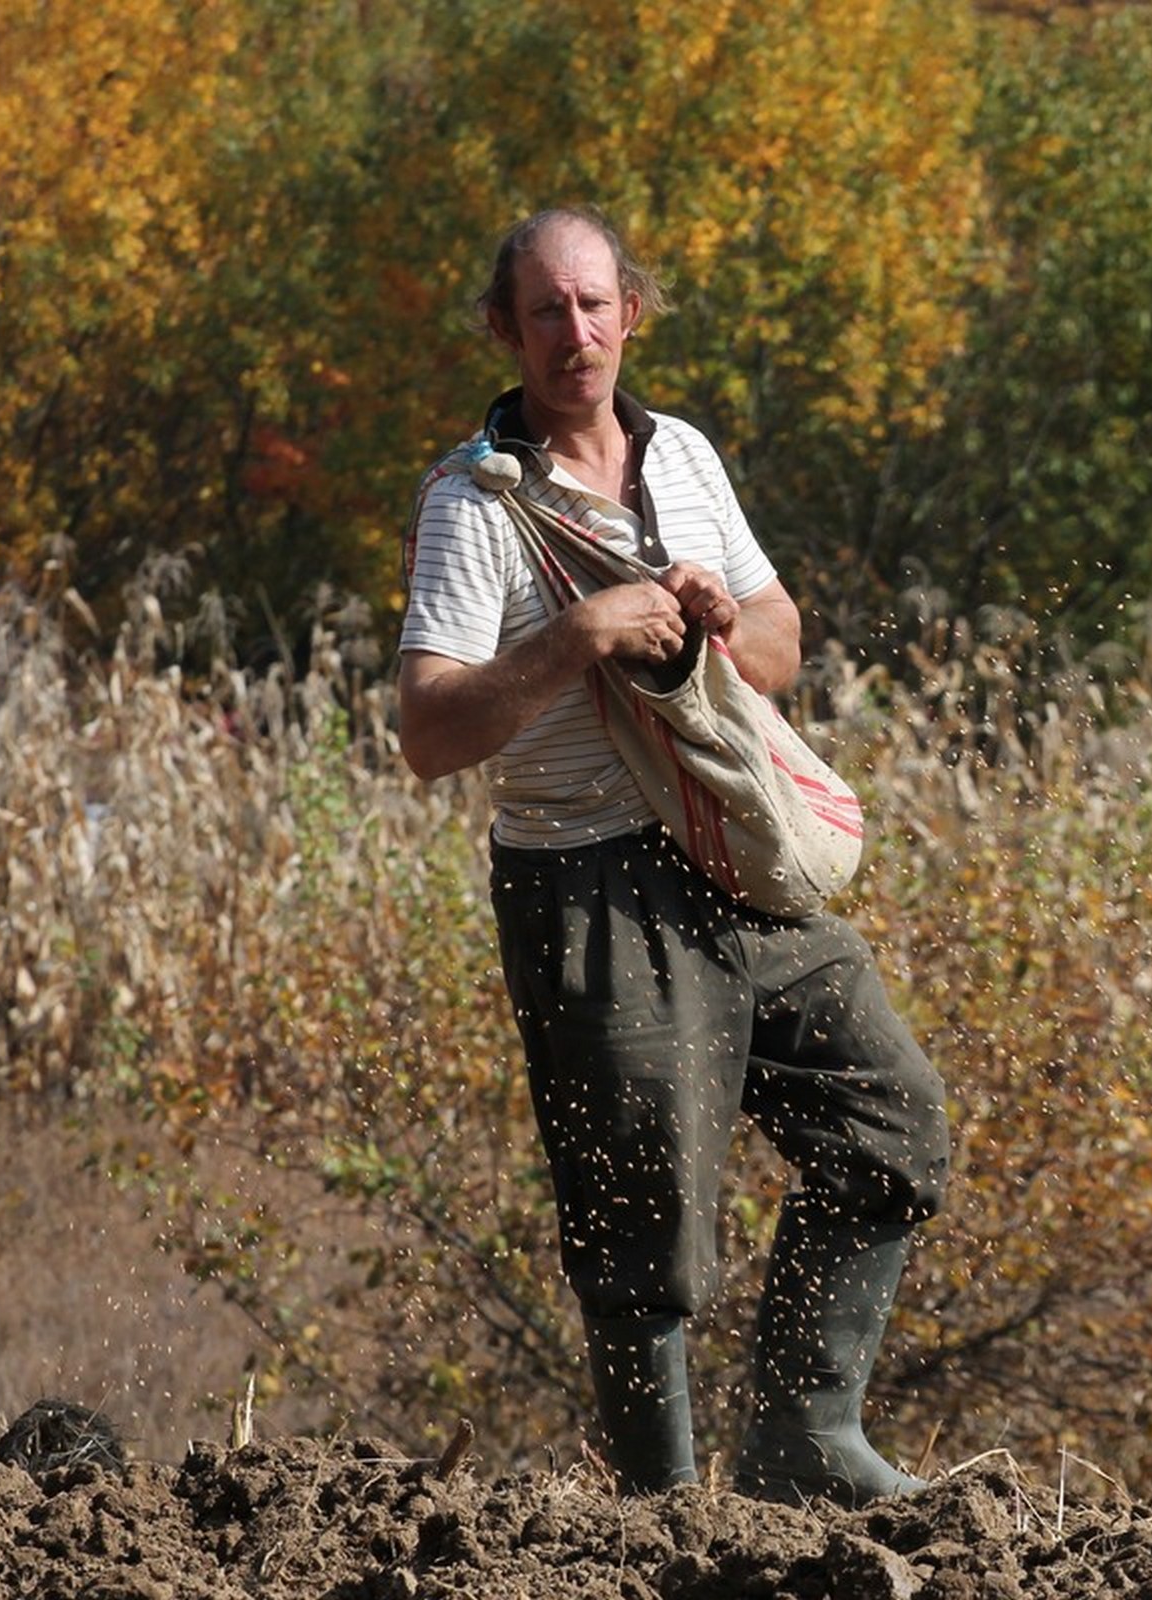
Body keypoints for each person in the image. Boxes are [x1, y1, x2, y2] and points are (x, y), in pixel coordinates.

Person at [395, 206, 951, 1504]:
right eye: (545, 311)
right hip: (585, 885)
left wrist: (719, 622)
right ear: (504, 330)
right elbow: (430, 732)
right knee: (647, 1245)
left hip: (734, 858)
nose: (574, 336)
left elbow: (780, 640)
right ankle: (660, 1531)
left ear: (630, 312)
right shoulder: (471, 504)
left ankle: (805, 1439)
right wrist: (575, 638)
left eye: (594, 306)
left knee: (890, 1123)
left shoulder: (685, 454)